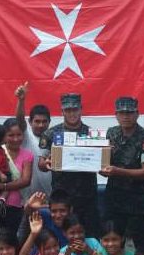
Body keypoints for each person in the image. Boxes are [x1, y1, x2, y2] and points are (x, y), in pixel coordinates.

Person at [39, 93, 100, 237]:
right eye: (68, 110)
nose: (72, 113)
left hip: (87, 196)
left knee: (89, 236)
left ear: (81, 109)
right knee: (61, 237)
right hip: (62, 197)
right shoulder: (51, 134)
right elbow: (41, 163)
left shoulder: (93, 134)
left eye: (75, 109)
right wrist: (46, 163)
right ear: (62, 111)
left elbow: (101, 161)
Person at [102, 96, 144, 250]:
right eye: (122, 113)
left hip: (138, 202)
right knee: (113, 242)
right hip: (114, 199)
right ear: (116, 115)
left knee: (140, 246)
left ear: (137, 114)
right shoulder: (110, 133)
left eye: (130, 113)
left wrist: (116, 171)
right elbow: (104, 162)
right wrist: (102, 169)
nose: (126, 116)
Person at [14, 82, 52, 198]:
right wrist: (21, 100)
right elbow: (19, 119)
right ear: (30, 122)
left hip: (50, 199)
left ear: (49, 122)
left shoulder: (55, 139)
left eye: (44, 121)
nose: (41, 125)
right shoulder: (27, 136)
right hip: (26, 199)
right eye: (37, 121)